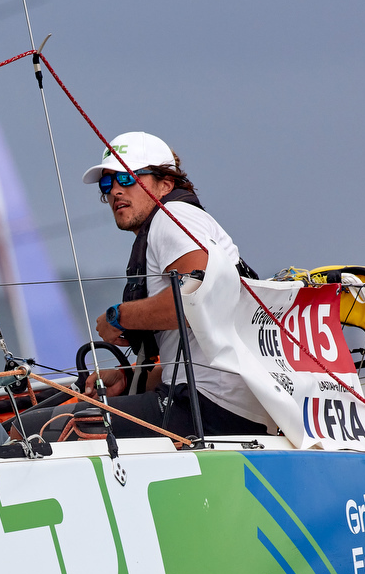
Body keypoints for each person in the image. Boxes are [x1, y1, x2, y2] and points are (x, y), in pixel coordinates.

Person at [14, 132, 271, 442]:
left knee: (28, 429)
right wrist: (128, 378)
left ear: (165, 183)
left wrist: (117, 316)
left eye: (126, 177)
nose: (115, 192)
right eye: (107, 185)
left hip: (206, 407)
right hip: (223, 404)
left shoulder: (171, 217)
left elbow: (198, 298)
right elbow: (196, 355)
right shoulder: (189, 222)